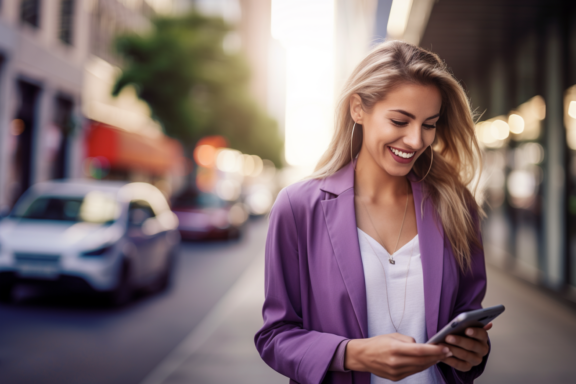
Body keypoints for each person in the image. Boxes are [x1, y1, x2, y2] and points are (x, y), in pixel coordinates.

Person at [255, 41, 491, 384]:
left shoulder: (456, 206)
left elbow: (467, 327)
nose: (415, 140)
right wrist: (353, 354)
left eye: (429, 124)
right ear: (358, 109)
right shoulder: (298, 208)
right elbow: (274, 336)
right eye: (400, 120)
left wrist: (473, 354)